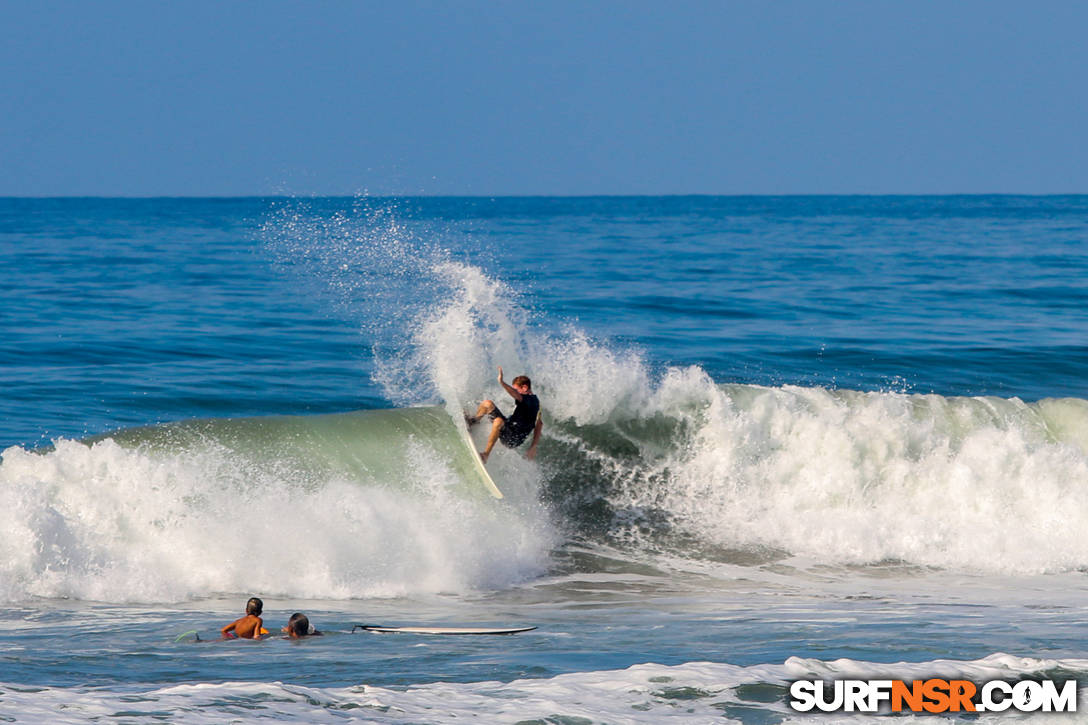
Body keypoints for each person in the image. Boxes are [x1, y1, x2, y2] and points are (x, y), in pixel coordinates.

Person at [467, 366, 542, 463]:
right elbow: (540, 424)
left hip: (513, 439)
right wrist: (534, 446)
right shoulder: (534, 403)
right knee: (487, 404)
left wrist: (501, 382)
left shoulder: (531, 400)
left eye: (516, 389)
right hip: (509, 427)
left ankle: (486, 455)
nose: (516, 392)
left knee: (498, 421)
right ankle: (473, 422)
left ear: (524, 388)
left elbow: (539, 424)